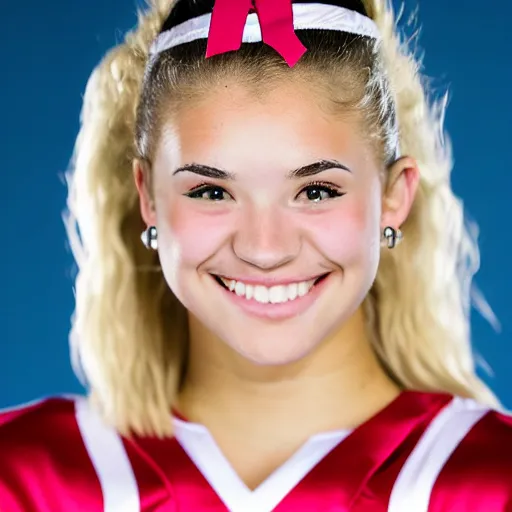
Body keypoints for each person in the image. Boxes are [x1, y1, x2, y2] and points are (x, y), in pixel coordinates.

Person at [1, 0, 511, 510]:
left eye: (315, 191)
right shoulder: (26, 476)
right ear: (148, 198)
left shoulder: (492, 482)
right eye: (211, 192)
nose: (264, 250)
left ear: (394, 196)